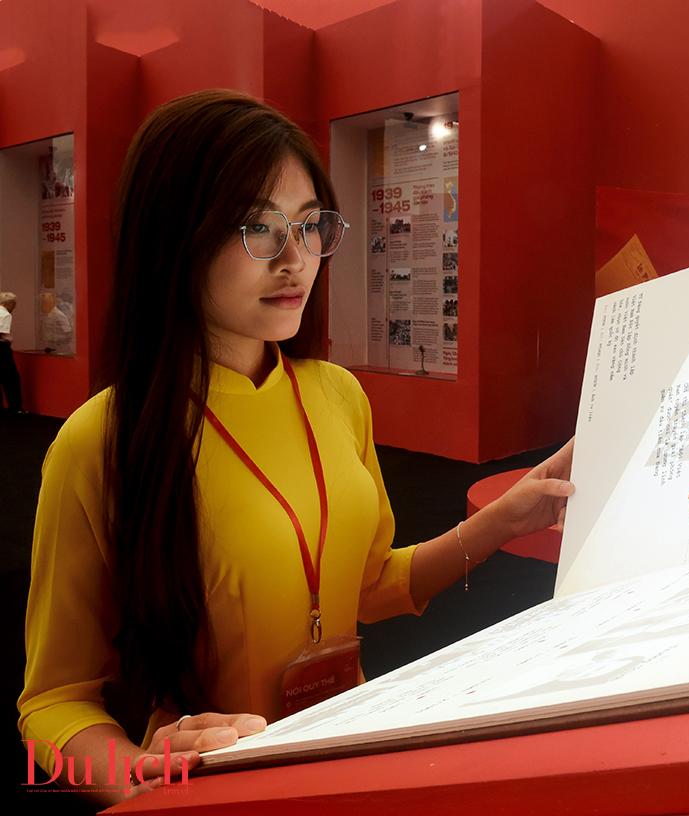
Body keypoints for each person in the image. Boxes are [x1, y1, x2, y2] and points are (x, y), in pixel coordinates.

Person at [17, 90, 574, 805]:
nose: (295, 260)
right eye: (256, 226)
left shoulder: (337, 394)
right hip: (217, 788)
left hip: (349, 756)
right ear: (173, 237)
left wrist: (505, 519)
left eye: (310, 226)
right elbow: (53, 701)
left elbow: (370, 585)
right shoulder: (102, 440)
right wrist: (139, 779)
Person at [0, 292, 22, 413]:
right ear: (10, 304)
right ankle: (15, 408)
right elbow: (2, 333)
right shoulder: (5, 314)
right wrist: (9, 338)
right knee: (11, 378)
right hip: (2, 349)